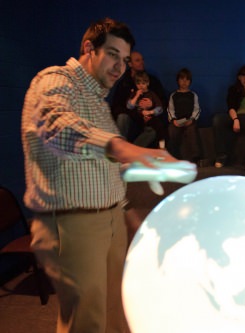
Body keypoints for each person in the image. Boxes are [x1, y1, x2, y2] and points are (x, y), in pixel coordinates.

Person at [21, 18, 178, 333]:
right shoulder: (56, 81)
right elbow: (57, 126)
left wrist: (125, 199)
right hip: (71, 222)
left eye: (124, 60)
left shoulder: (97, 100)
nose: (119, 67)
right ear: (88, 48)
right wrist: (124, 149)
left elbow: (96, 161)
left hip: (107, 220)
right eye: (112, 54)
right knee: (87, 321)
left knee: (114, 312)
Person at [110, 50, 168, 147]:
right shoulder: (124, 83)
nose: (142, 62)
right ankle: (120, 148)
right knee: (122, 117)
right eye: (137, 60)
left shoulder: (152, 81)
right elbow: (116, 107)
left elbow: (163, 102)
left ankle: (132, 152)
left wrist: (151, 105)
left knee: (155, 128)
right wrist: (136, 111)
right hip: (131, 117)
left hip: (148, 117)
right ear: (130, 64)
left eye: (142, 60)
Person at [213, 65, 245, 173]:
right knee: (217, 119)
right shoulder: (234, 89)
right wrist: (235, 120)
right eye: (243, 76)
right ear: (239, 77)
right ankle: (221, 157)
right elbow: (231, 107)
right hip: (235, 116)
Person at [167, 67, 202, 162]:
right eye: (182, 79)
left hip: (189, 120)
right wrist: (173, 120)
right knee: (172, 130)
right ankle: (174, 155)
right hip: (177, 120)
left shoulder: (193, 95)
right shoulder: (173, 95)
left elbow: (197, 109)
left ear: (190, 81)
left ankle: (195, 157)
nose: (184, 82)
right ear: (178, 81)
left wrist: (192, 119)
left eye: (187, 79)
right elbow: (170, 109)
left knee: (192, 130)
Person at [126, 71, 165, 147]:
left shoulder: (151, 94)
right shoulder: (134, 94)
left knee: (158, 124)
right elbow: (129, 106)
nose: (141, 86)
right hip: (137, 119)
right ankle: (132, 147)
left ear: (147, 83)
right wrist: (137, 96)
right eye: (138, 84)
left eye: (143, 83)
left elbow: (160, 108)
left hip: (150, 117)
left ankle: (162, 146)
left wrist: (150, 112)